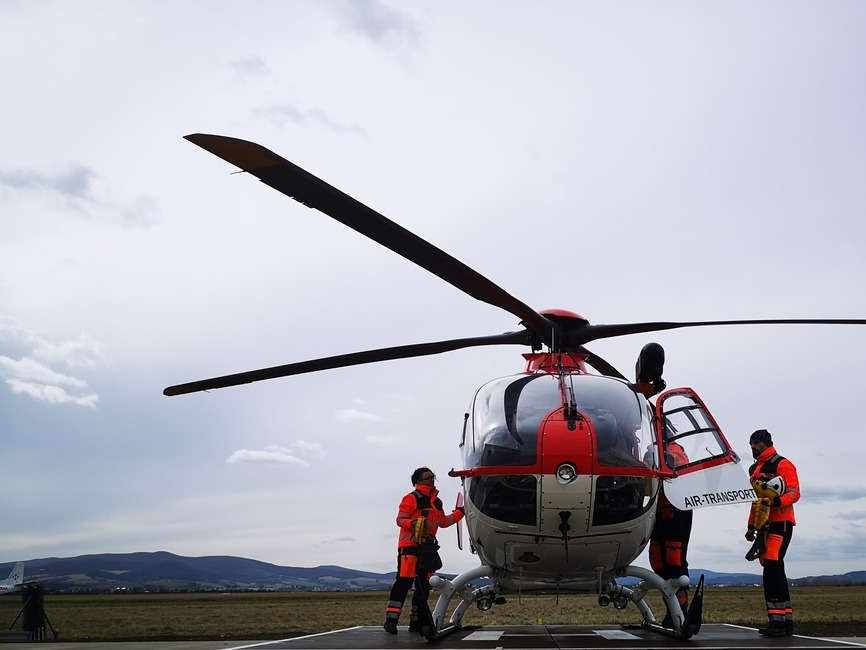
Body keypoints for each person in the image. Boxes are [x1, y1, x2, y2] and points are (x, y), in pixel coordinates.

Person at [383, 467, 464, 636]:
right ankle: (391, 621)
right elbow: (400, 520)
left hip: (427, 548)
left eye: (433, 477)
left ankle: (416, 622)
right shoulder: (411, 498)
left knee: (424, 586)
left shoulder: (437, 502)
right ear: (418, 482)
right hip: (409, 545)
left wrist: (460, 513)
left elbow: (443, 522)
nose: (431, 480)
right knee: (404, 582)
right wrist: (412, 524)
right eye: (428, 478)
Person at [744, 429, 800, 637]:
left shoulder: (783, 464)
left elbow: (795, 493)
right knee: (774, 569)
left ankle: (778, 623)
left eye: (757, 443)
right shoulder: (754, 469)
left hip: (781, 523)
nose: (753, 446)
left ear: (767, 443)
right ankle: (784, 622)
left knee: (772, 567)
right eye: (751, 443)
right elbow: (756, 501)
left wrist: (776, 501)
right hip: (763, 525)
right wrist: (751, 526)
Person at [646, 431, 692, 628]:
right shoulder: (654, 453)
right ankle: (672, 611)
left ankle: (680, 611)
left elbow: (679, 474)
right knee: (659, 561)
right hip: (659, 512)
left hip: (676, 514)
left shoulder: (673, 452)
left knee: (675, 562)